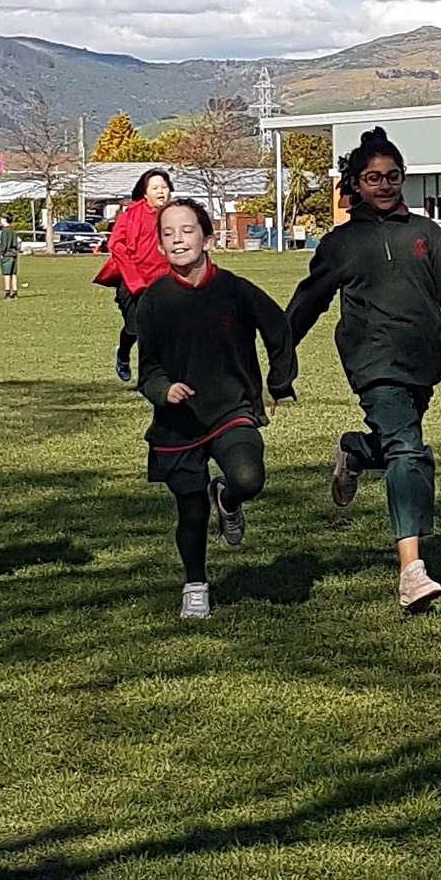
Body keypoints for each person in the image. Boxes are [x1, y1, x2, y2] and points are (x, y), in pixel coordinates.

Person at [286, 127, 441, 614]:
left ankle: (357, 450)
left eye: (392, 176)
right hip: (371, 360)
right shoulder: (341, 243)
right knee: (409, 450)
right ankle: (411, 571)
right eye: (373, 177)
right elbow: (307, 303)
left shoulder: (426, 235)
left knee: (399, 446)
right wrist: (279, 357)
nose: (384, 185)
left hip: (421, 361)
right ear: (355, 184)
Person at [136, 196, 297, 620]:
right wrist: (164, 390)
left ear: (208, 238)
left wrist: (279, 382)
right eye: (168, 233)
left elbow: (278, 328)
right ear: (159, 246)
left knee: (248, 477)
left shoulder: (235, 290)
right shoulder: (153, 301)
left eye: (187, 230)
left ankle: (228, 495)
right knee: (191, 513)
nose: (178, 239)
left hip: (232, 408)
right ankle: (195, 585)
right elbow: (148, 370)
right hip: (179, 424)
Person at [94, 168, 173, 383]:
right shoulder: (132, 214)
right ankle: (123, 354)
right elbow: (116, 245)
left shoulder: (175, 214)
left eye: (164, 187)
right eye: (155, 188)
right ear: (145, 192)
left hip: (163, 282)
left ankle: (155, 376)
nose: (161, 192)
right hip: (133, 282)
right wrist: (134, 280)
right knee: (135, 329)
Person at [0, 212, 21, 299]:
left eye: (1, 218)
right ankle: (15, 292)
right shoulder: (13, 230)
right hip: (14, 254)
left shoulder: (4, 231)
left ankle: (7, 292)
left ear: (4, 220)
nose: (0, 220)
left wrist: (1, 253)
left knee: (6, 274)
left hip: (7, 254)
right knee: (13, 274)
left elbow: (4, 244)